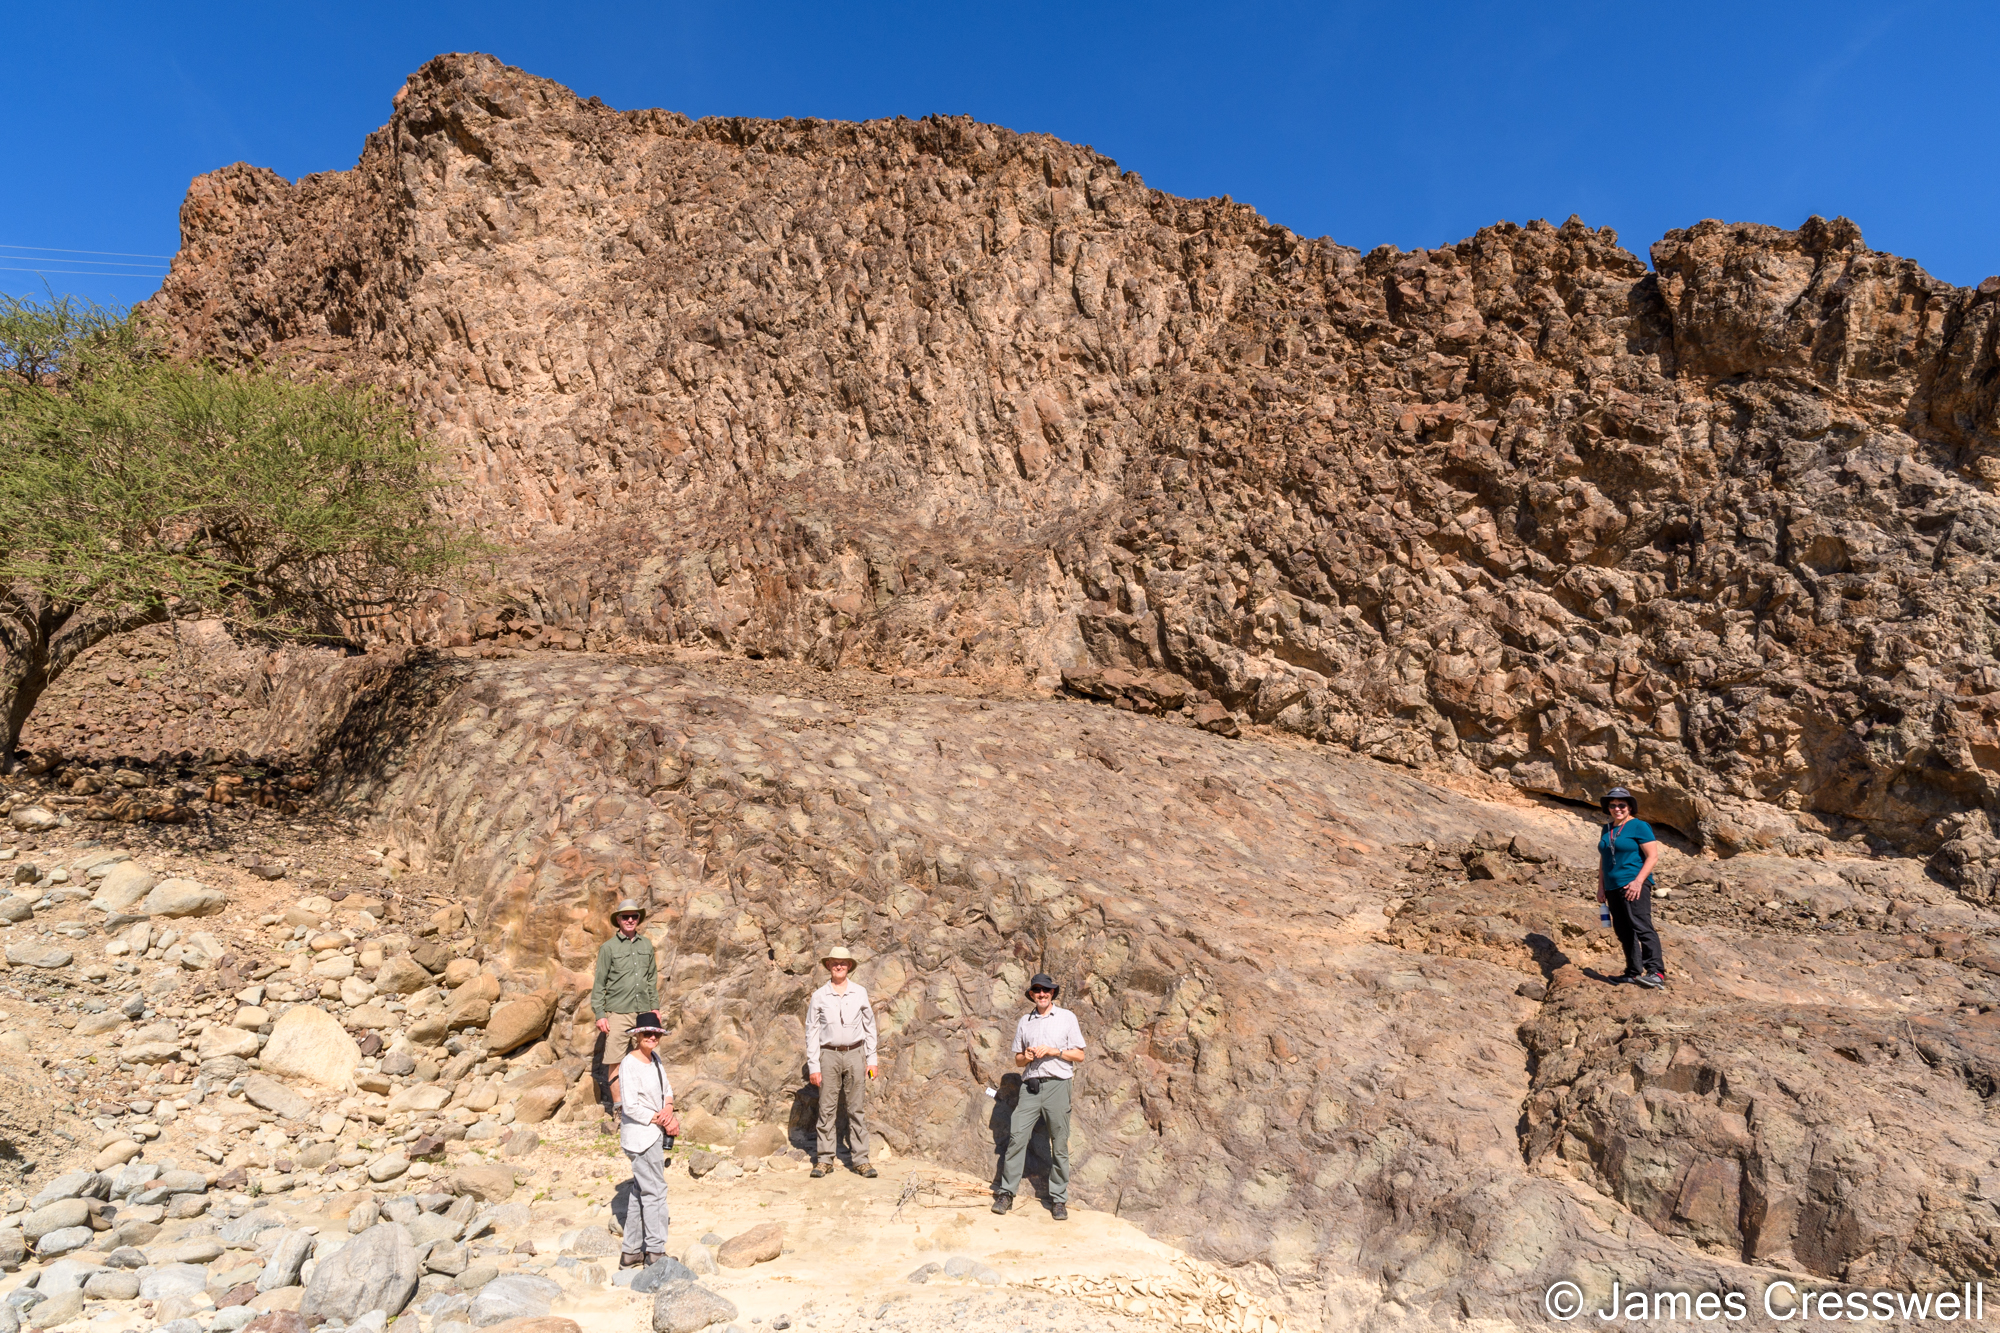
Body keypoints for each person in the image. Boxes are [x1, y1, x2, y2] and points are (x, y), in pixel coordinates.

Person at [994, 973, 1087, 1221]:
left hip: (1058, 1086)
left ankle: (1058, 1199)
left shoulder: (1067, 1017)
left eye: (1046, 990)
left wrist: (1055, 1051)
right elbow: (1018, 1060)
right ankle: (1006, 1193)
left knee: (1059, 1143)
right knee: (1016, 1138)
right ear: (1032, 995)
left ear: (1052, 993)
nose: (1042, 994)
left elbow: (1079, 1055)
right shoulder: (1025, 1021)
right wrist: (1026, 1056)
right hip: (1030, 1087)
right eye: (1037, 990)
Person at [805, 945, 878, 1179]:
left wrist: (872, 1060)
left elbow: (870, 1026)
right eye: (835, 962)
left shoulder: (860, 992)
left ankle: (861, 1160)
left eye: (843, 963)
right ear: (828, 965)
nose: (839, 966)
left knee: (856, 1108)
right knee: (826, 1109)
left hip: (856, 1054)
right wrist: (814, 1066)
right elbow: (811, 1031)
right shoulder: (819, 995)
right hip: (828, 1055)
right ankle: (824, 1160)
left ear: (849, 966)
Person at [616, 1011, 679, 1268]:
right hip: (641, 1137)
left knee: (639, 1192)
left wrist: (669, 1109)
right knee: (655, 1192)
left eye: (656, 1033)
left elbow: (667, 1090)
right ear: (637, 1035)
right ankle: (655, 1252)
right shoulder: (629, 1064)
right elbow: (630, 1106)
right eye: (647, 1033)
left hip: (652, 1132)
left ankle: (631, 1252)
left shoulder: (655, 1059)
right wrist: (663, 1120)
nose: (652, 1037)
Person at [592, 898, 658, 1112]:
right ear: (618, 920)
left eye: (634, 916)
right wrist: (600, 1014)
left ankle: (643, 1106)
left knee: (645, 1058)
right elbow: (599, 983)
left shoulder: (646, 945)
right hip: (618, 1012)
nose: (630, 920)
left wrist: (654, 1008)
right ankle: (620, 1109)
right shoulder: (608, 948)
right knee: (616, 1061)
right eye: (625, 917)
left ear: (638, 919)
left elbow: (651, 979)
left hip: (644, 1012)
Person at [1598, 787, 1666, 989]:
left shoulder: (1639, 826)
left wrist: (1638, 882)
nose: (1617, 808)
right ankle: (1633, 972)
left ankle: (1656, 972)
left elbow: (1652, 856)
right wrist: (1601, 886)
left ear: (1629, 807)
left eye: (1622, 805)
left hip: (1633, 883)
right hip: (1612, 886)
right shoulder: (1606, 829)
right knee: (1623, 930)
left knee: (1641, 926)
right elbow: (1603, 859)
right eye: (1613, 805)